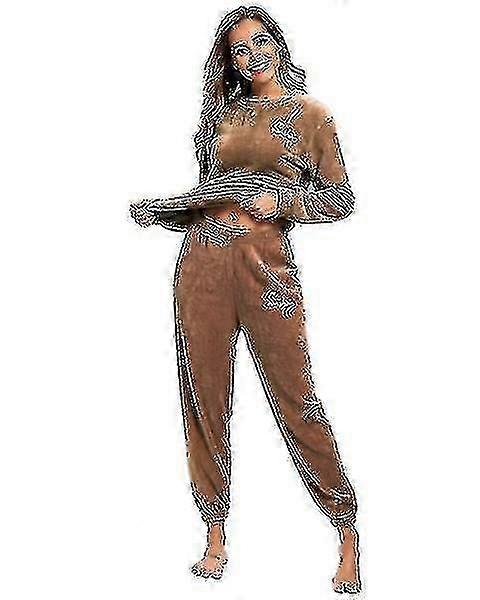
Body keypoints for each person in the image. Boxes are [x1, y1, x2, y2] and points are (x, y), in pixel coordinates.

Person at [130, 5, 362, 594]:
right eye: (239, 50)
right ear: (230, 61)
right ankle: (213, 531)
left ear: (278, 44)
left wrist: (283, 203)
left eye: (261, 43)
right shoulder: (221, 116)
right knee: (203, 397)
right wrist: (165, 210)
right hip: (202, 264)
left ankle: (345, 529)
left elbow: (341, 199)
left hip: (267, 271)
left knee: (296, 398)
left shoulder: (312, 116)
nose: (252, 55)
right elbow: (211, 195)